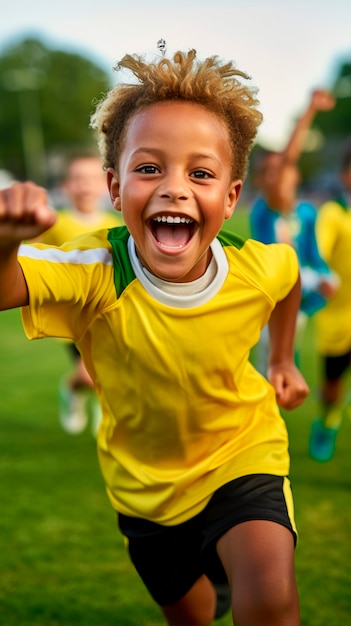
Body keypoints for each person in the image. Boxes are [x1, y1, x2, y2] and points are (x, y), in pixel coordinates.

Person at [0, 48, 309, 626]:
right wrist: (4, 242)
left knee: (268, 601)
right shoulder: (97, 268)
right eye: (149, 169)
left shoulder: (255, 267)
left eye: (200, 173)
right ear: (115, 189)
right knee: (191, 618)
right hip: (144, 489)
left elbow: (288, 280)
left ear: (231, 197)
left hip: (242, 453)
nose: (174, 188)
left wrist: (284, 359)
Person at [250, 89, 338, 375]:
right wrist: (310, 109)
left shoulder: (306, 213)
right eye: (269, 171)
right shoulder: (264, 210)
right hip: (272, 292)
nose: (277, 176)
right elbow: (289, 158)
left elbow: (314, 254)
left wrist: (324, 277)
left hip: (298, 288)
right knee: (268, 363)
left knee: (286, 358)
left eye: (281, 170)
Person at [39, 151, 123, 436]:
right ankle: (71, 391)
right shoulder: (55, 223)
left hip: (106, 313)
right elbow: (35, 257)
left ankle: (105, 408)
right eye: (77, 179)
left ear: (104, 184)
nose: (84, 185)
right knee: (87, 376)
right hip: (71, 316)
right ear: (66, 185)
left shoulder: (116, 225)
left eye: (90, 179)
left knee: (110, 373)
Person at [309, 142, 351, 462]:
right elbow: (319, 253)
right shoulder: (333, 212)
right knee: (332, 387)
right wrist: (321, 275)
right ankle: (327, 420)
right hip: (337, 317)